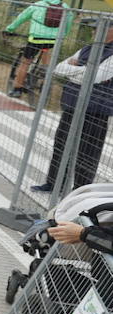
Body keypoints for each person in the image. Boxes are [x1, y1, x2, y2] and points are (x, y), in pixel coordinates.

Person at [33, 23, 113, 194]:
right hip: (73, 104)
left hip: (95, 111)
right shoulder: (88, 48)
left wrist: (76, 69)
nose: (94, 30)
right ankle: (53, 183)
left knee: (88, 152)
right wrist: (84, 72)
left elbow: (98, 76)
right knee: (61, 144)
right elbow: (59, 68)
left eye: (99, 28)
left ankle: (81, 191)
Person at [7, 0, 68, 97]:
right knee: (46, 58)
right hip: (53, 39)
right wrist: (63, 35)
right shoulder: (65, 7)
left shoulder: (37, 5)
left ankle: (17, 89)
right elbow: (68, 23)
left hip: (36, 38)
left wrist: (9, 29)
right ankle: (45, 86)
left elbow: (21, 17)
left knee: (25, 63)